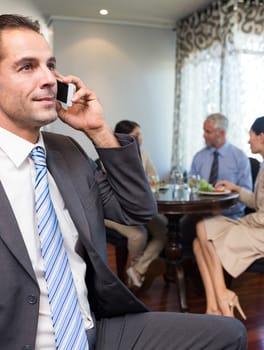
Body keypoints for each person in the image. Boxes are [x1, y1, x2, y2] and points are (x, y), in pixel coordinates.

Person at [0, 14, 247, 350]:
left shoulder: (68, 151)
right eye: (27, 67)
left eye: (50, 65)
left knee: (230, 335)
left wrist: (99, 131)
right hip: (26, 339)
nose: (48, 79)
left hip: (95, 329)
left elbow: (137, 210)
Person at [193, 116, 264, 319]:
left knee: (203, 231)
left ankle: (221, 301)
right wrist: (236, 189)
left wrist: (247, 222)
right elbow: (257, 202)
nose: (249, 141)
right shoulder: (262, 166)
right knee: (200, 239)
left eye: (251, 136)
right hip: (255, 224)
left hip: (259, 230)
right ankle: (215, 305)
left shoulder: (244, 158)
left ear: (262, 137)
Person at [104, 120, 168, 288]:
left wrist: (147, 184)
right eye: (136, 135)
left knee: (163, 229)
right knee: (139, 235)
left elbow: (154, 179)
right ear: (124, 137)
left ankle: (137, 269)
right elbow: (114, 189)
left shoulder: (143, 154)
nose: (140, 139)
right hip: (115, 211)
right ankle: (134, 276)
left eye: (140, 134)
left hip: (139, 208)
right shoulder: (110, 155)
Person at [179, 113, 252, 251]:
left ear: (222, 133)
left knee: (204, 232)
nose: (204, 135)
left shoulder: (239, 157)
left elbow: (247, 192)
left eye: (208, 131)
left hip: (229, 216)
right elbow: (191, 186)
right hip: (199, 214)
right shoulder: (199, 157)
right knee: (178, 228)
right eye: (204, 131)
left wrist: (223, 208)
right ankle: (185, 269)